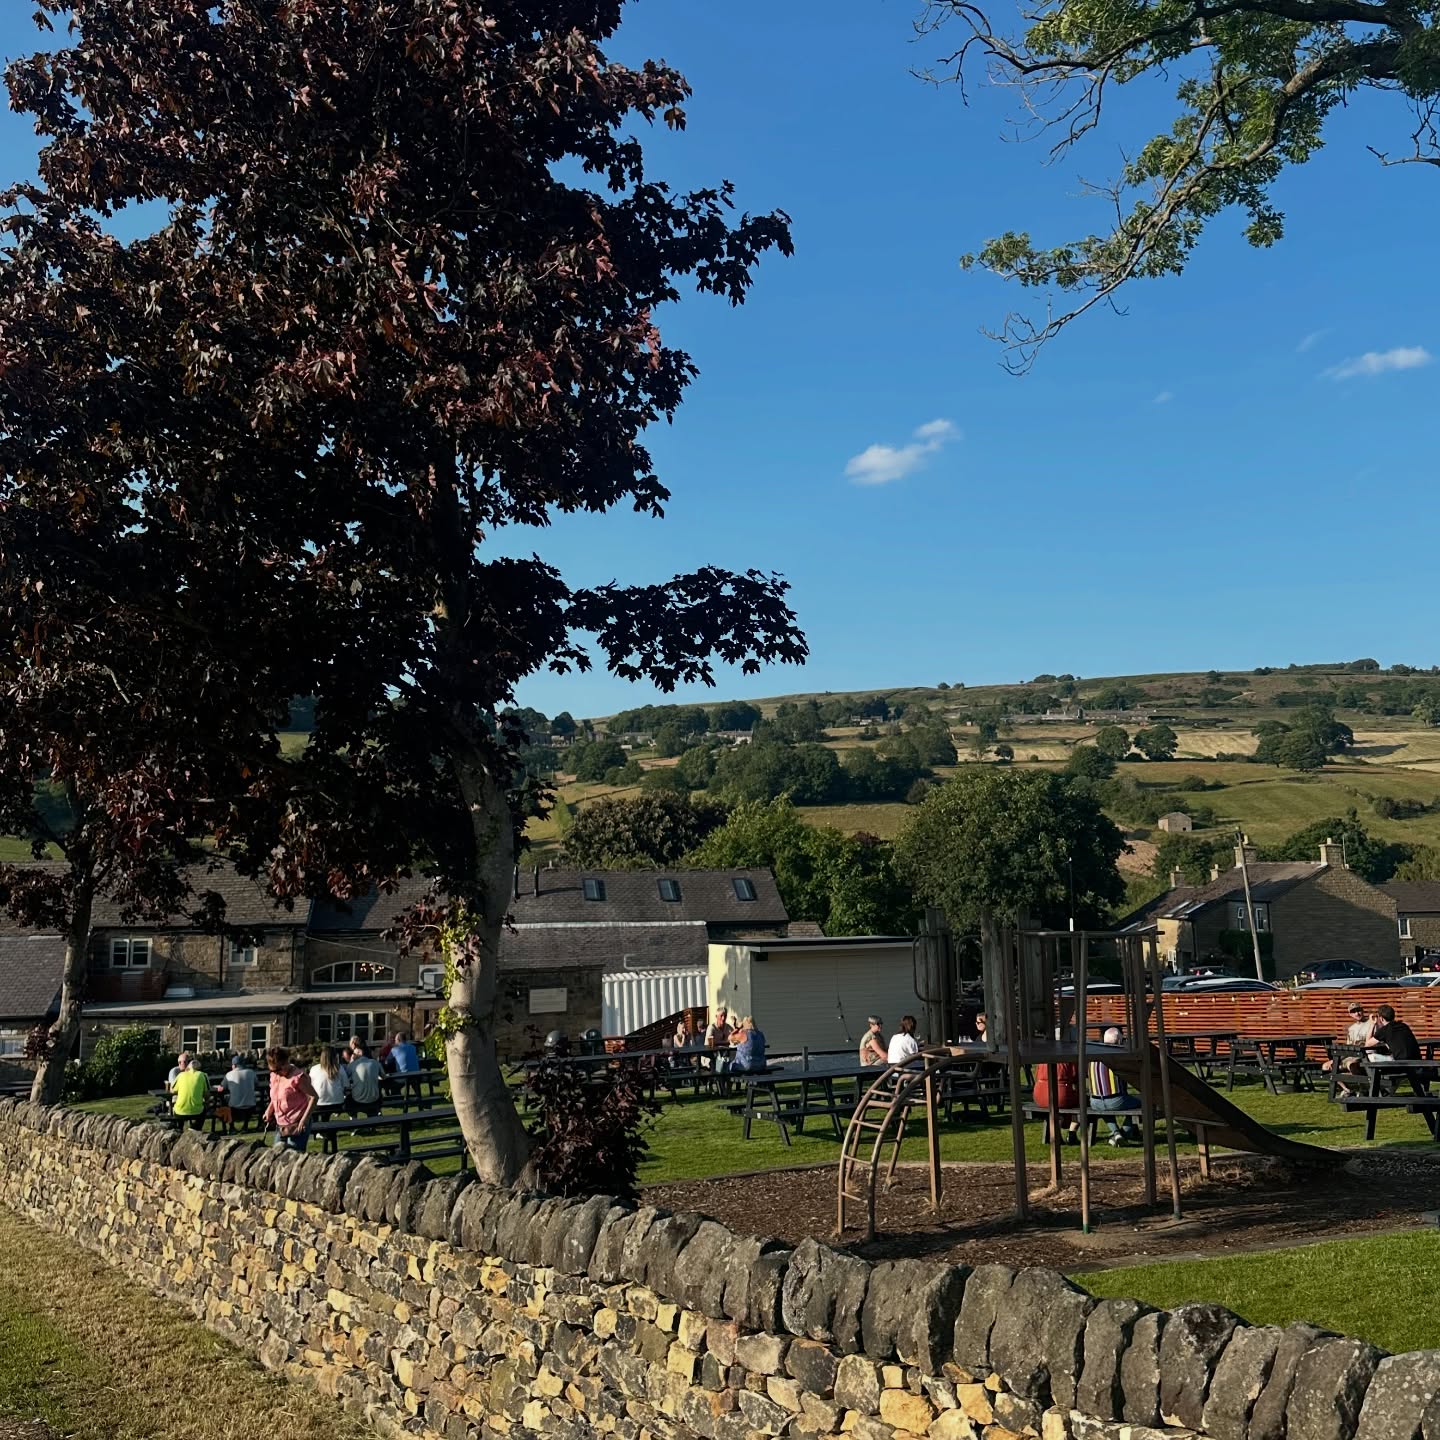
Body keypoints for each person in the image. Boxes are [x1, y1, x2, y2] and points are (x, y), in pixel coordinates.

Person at [1088, 1027, 1140, 1144]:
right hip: (1116, 1100)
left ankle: (1116, 1133)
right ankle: (1125, 1133)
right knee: (1142, 1104)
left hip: (1095, 1102)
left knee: (1105, 1106)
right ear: (1119, 1042)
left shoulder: (1092, 1057)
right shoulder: (1117, 1057)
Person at [263, 1046, 318, 1152]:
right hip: (281, 1125)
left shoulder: (298, 1077)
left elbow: (314, 1097)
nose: (276, 1073)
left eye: (278, 1070)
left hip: (297, 1124)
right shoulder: (275, 1076)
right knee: (276, 1154)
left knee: (293, 1156)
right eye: (272, 1070)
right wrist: (269, 1110)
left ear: (285, 1063)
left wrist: (304, 1120)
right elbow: (276, 1096)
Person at [1323, 1003, 1376, 1095]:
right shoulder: (1351, 1029)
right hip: (1351, 1055)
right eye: (1353, 1012)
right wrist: (1337, 1059)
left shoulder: (1370, 1024)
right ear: (1350, 1014)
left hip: (1364, 1055)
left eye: (1358, 1010)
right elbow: (1349, 1047)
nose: (1357, 1013)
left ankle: (1365, 1088)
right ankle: (1347, 1089)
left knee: (1351, 1064)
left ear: (1362, 1011)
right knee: (1326, 1066)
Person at [1032, 1061, 1081, 1143]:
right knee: (1082, 1102)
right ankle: (1072, 1132)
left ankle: (1057, 1131)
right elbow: (1075, 1077)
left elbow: (1037, 1074)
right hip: (1059, 1094)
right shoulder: (1068, 1058)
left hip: (1039, 1094)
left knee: (1064, 1103)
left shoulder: (1043, 1057)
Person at [309, 1045, 348, 1123]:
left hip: (320, 1103)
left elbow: (310, 1086)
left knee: (313, 1108)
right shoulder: (339, 1068)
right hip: (337, 1102)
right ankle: (323, 1128)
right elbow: (346, 1085)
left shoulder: (314, 1069)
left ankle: (318, 1129)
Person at [171, 1054, 211, 1131]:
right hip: (197, 1111)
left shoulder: (180, 1075)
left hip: (180, 1111)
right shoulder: (203, 1075)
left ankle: (179, 1129)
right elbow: (207, 1094)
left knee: (178, 1111)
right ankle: (195, 1128)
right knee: (204, 1110)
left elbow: (172, 1090)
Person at [346, 1039, 384, 1118]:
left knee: (347, 1102)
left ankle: (354, 1121)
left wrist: (351, 1062)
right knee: (379, 1095)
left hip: (357, 1100)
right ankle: (372, 1121)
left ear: (359, 1052)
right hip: (374, 1100)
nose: (353, 1054)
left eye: (354, 1052)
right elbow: (384, 1076)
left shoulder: (352, 1065)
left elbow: (346, 1078)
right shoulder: (375, 1063)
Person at [222, 1053, 257, 1132]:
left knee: (225, 1103)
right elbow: (256, 1083)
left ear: (234, 1065)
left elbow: (223, 1087)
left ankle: (231, 1127)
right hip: (251, 1106)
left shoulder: (229, 1074)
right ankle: (245, 1127)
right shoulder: (251, 1072)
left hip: (234, 1108)